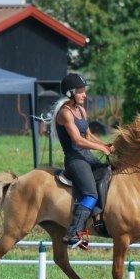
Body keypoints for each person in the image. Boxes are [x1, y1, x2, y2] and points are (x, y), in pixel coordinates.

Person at [55, 72, 113, 249]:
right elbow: (78, 141)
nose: (84, 94)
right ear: (70, 93)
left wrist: (106, 145)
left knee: (109, 172)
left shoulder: (81, 110)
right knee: (90, 194)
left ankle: (96, 219)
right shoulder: (65, 113)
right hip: (75, 160)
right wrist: (101, 148)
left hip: (86, 156)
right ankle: (74, 233)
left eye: (83, 91)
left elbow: (87, 135)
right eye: (80, 91)